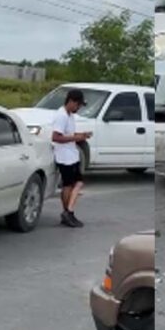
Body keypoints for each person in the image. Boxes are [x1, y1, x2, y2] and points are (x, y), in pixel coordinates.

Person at [52, 89, 92, 227]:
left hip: (72, 154)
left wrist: (81, 135)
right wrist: (76, 137)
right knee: (68, 185)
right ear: (71, 101)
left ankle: (68, 211)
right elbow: (56, 137)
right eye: (78, 105)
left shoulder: (70, 116)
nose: (78, 108)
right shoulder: (61, 115)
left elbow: (68, 133)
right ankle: (68, 212)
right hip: (64, 156)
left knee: (78, 183)